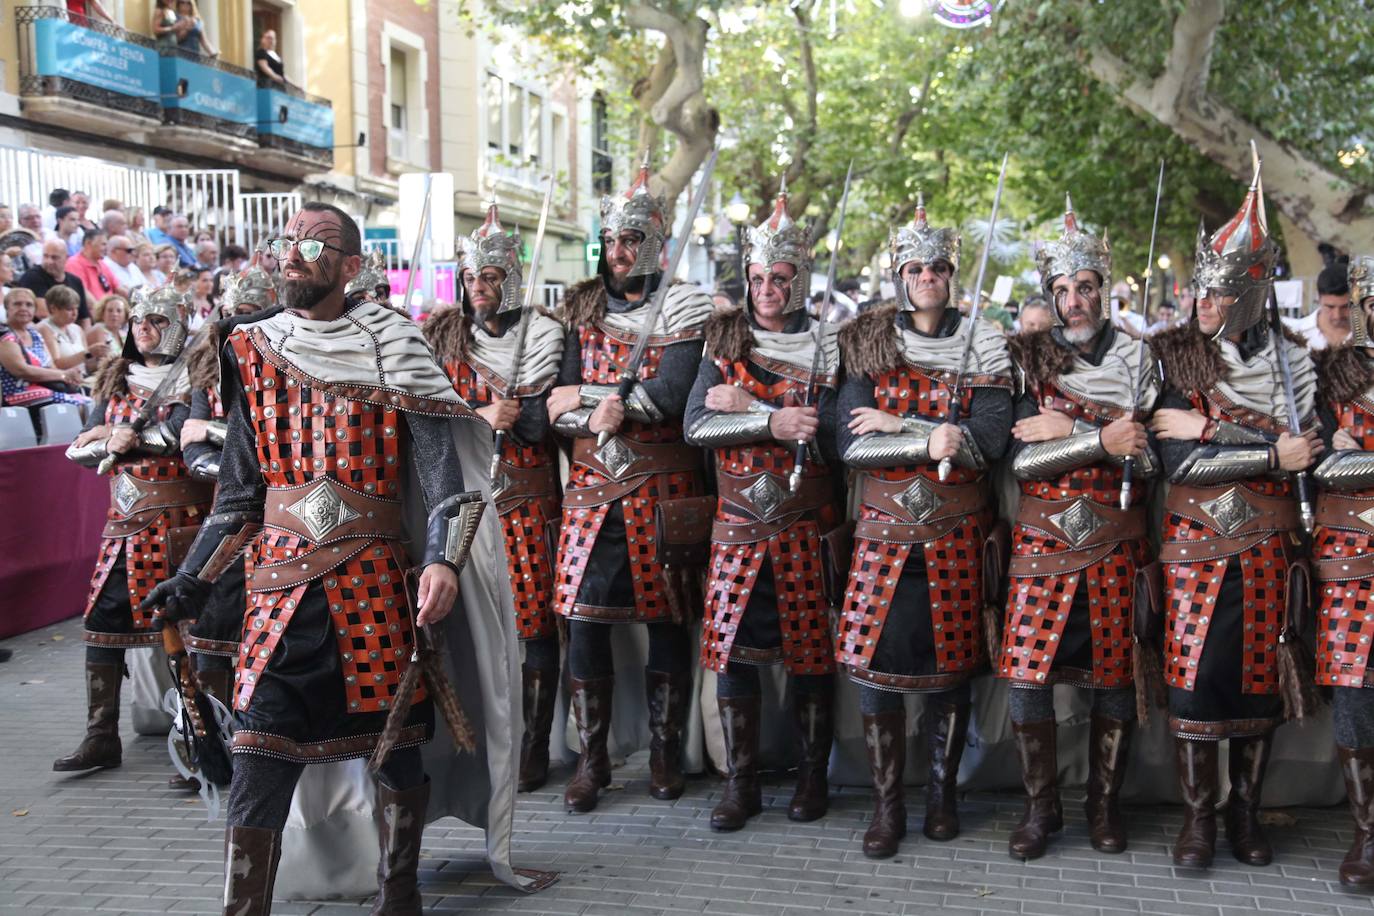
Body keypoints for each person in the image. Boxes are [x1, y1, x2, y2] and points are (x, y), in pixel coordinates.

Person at [142, 202, 531, 911]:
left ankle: (400, 890)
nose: (293, 254)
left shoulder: (397, 345)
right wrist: (191, 578)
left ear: (351, 266)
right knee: (258, 752)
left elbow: (445, 483)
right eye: (287, 241)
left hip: (375, 588)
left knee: (395, 747)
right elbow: (239, 496)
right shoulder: (251, 348)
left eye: (315, 246)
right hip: (278, 593)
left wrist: (443, 561)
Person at [1149, 156, 1319, 870]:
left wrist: (1231, 440)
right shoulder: (1176, 359)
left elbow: (1307, 452)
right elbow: (1178, 461)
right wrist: (1262, 450)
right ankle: (1199, 821)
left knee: (1258, 682)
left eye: (1219, 292)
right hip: (1196, 546)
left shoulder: (1295, 363)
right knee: (1195, 680)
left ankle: (1245, 816)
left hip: (1268, 548)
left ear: (1251, 295)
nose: (1205, 302)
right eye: (1202, 289)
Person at [834, 196, 1014, 858]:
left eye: (936, 267)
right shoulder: (867, 340)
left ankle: (942, 796)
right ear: (899, 276)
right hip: (883, 531)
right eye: (914, 268)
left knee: (950, 671)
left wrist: (909, 427)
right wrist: (927, 434)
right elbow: (851, 441)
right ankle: (888, 806)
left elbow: (991, 438)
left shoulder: (984, 341)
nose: (926, 277)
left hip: (956, 531)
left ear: (951, 274)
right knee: (874, 669)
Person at [546, 162, 713, 813]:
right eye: (612, 240)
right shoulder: (581, 309)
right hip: (592, 494)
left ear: (655, 244)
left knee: (665, 622)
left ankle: (666, 753)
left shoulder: (685, 306)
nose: (619, 251)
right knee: (584, 623)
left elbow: (672, 394)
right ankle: (592, 761)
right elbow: (551, 407)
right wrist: (595, 408)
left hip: (663, 489)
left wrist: (589, 400)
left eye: (632, 240)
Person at [1001, 194, 1158, 861]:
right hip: (1043, 538)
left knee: (1114, 676)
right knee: (1028, 675)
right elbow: (1019, 458)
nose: (1074, 301)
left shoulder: (1142, 360)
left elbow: (1153, 459)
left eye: (1085, 286)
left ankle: (1103, 804)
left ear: (1104, 287)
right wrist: (1096, 437)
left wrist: (1076, 430)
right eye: (1062, 289)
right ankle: (1042, 808)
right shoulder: (1027, 361)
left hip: (1117, 537)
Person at [683, 184, 843, 832]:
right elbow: (697, 424)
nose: (767, 289)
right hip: (739, 524)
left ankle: (812, 778)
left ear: (799, 279)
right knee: (733, 653)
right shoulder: (724, 341)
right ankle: (740, 783)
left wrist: (747, 406)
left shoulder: (829, 346)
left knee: (812, 655)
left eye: (779, 277)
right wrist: (771, 419)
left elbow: (833, 438)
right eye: (757, 278)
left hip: (806, 522)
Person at [424, 202, 566, 793]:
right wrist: (479, 414)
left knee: (534, 627)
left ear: (509, 279)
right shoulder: (444, 338)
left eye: (488, 277)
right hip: (469, 502)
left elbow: (542, 423)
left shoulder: (546, 336)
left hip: (528, 499)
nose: (477, 287)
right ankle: (476, 740)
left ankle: (534, 747)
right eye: (470, 277)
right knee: (472, 624)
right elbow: (427, 415)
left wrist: (522, 415)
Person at [54, 288, 210, 777]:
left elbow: (184, 436)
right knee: (102, 623)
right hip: (123, 526)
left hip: (180, 523)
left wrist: (131, 436)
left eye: (156, 319)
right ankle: (101, 735)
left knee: (185, 630)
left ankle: (200, 737)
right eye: (138, 319)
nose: (143, 327)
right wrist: (107, 437)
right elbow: (79, 448)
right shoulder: (115, 376)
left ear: (178, 324)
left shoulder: (196, 375)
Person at [1308, 255, 1374, 886]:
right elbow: (1320, 464)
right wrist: (1342, 457)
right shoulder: (1328, 375)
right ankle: (1368, 832)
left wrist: (1362, 456)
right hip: (1351, 555)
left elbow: (1349, 461)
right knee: (1355, 691)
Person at [0, 288, 87, 408]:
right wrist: (64, 375)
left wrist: (71, 376)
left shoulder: (35, 335)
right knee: (76, 405)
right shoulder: (4, 334)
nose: (24, 308)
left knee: (89, 402)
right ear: (7, 308)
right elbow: (21, 370)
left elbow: (51, 366)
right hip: (16, 393)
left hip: (44, 388)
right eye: (17, 304)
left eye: (29, 305)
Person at [17, 239, 91, 324]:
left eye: (54, 257)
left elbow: (84, 318)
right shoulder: (32, 276)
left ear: (66, 258)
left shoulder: (75, 281)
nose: (49, 261)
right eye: (46, 256)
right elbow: (42, 313)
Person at [37, 284, 105, 374]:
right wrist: (88, 353)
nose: (75, 313)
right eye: (69, 309)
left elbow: (87, 365)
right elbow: (56, 364)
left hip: (82, 377)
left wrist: (101, 358)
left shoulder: (77, 329)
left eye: (76, 308)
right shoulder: (44, 329)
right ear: (53, 309)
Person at [1292, 262, 1353, 352]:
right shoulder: (1295, 334)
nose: (1337, 315)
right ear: (1318, 298)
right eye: (1330, 307)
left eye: (1345, 306)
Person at [66, 230, 125, 301]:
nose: (106, 248)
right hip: (97, 307)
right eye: (103, 244)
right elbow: (83, 294)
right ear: (88, 243)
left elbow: (118, 287)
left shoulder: (102, 263)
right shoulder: (74, 264)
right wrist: (101, 308)